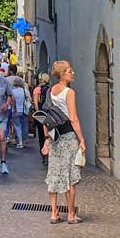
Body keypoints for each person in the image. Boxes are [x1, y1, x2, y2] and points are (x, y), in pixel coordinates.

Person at [43, 60, 86, 224]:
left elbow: (45, 117)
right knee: (70, 176)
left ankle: (54, 213)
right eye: (69, 70)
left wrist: (47, 139)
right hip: (68, 136)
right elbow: (73, 119)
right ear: (62, 74)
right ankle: (70, 214)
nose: (73, 72)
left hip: (55, 136)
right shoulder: (69, 92)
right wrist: (82, 140)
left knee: (54, 172)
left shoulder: (51, 91)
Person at [33, 72, 50, 165]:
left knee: (41, 136)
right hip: (49, 115)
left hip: (41, 115)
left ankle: (44, 156)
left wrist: (38, 113)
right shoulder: (50, 89)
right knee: (50, 134)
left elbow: (35, 103)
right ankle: (50, 153)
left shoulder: (37, 89)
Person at [10, 76, 28, 149]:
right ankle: (24, 140)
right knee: (24, 126)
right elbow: (29, 98)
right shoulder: (24, 91)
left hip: (15, 110)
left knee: (17, 126)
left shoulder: (13, 91)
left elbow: (11, 101)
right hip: (24, 110)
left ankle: (19, 142)